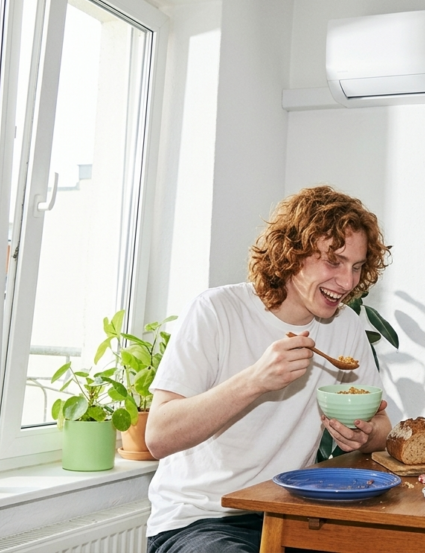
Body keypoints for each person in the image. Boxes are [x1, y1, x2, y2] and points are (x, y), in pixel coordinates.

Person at [145, 186, 393, 553]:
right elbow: (158, 437)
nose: (348, 282)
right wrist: (254, 381)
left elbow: (383, 427)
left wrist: (365, 436)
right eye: (334, 262)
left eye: (356, 267)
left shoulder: (346, 327)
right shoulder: (217, 311)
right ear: (292, 252)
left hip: (290, 515)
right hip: (202, 520)